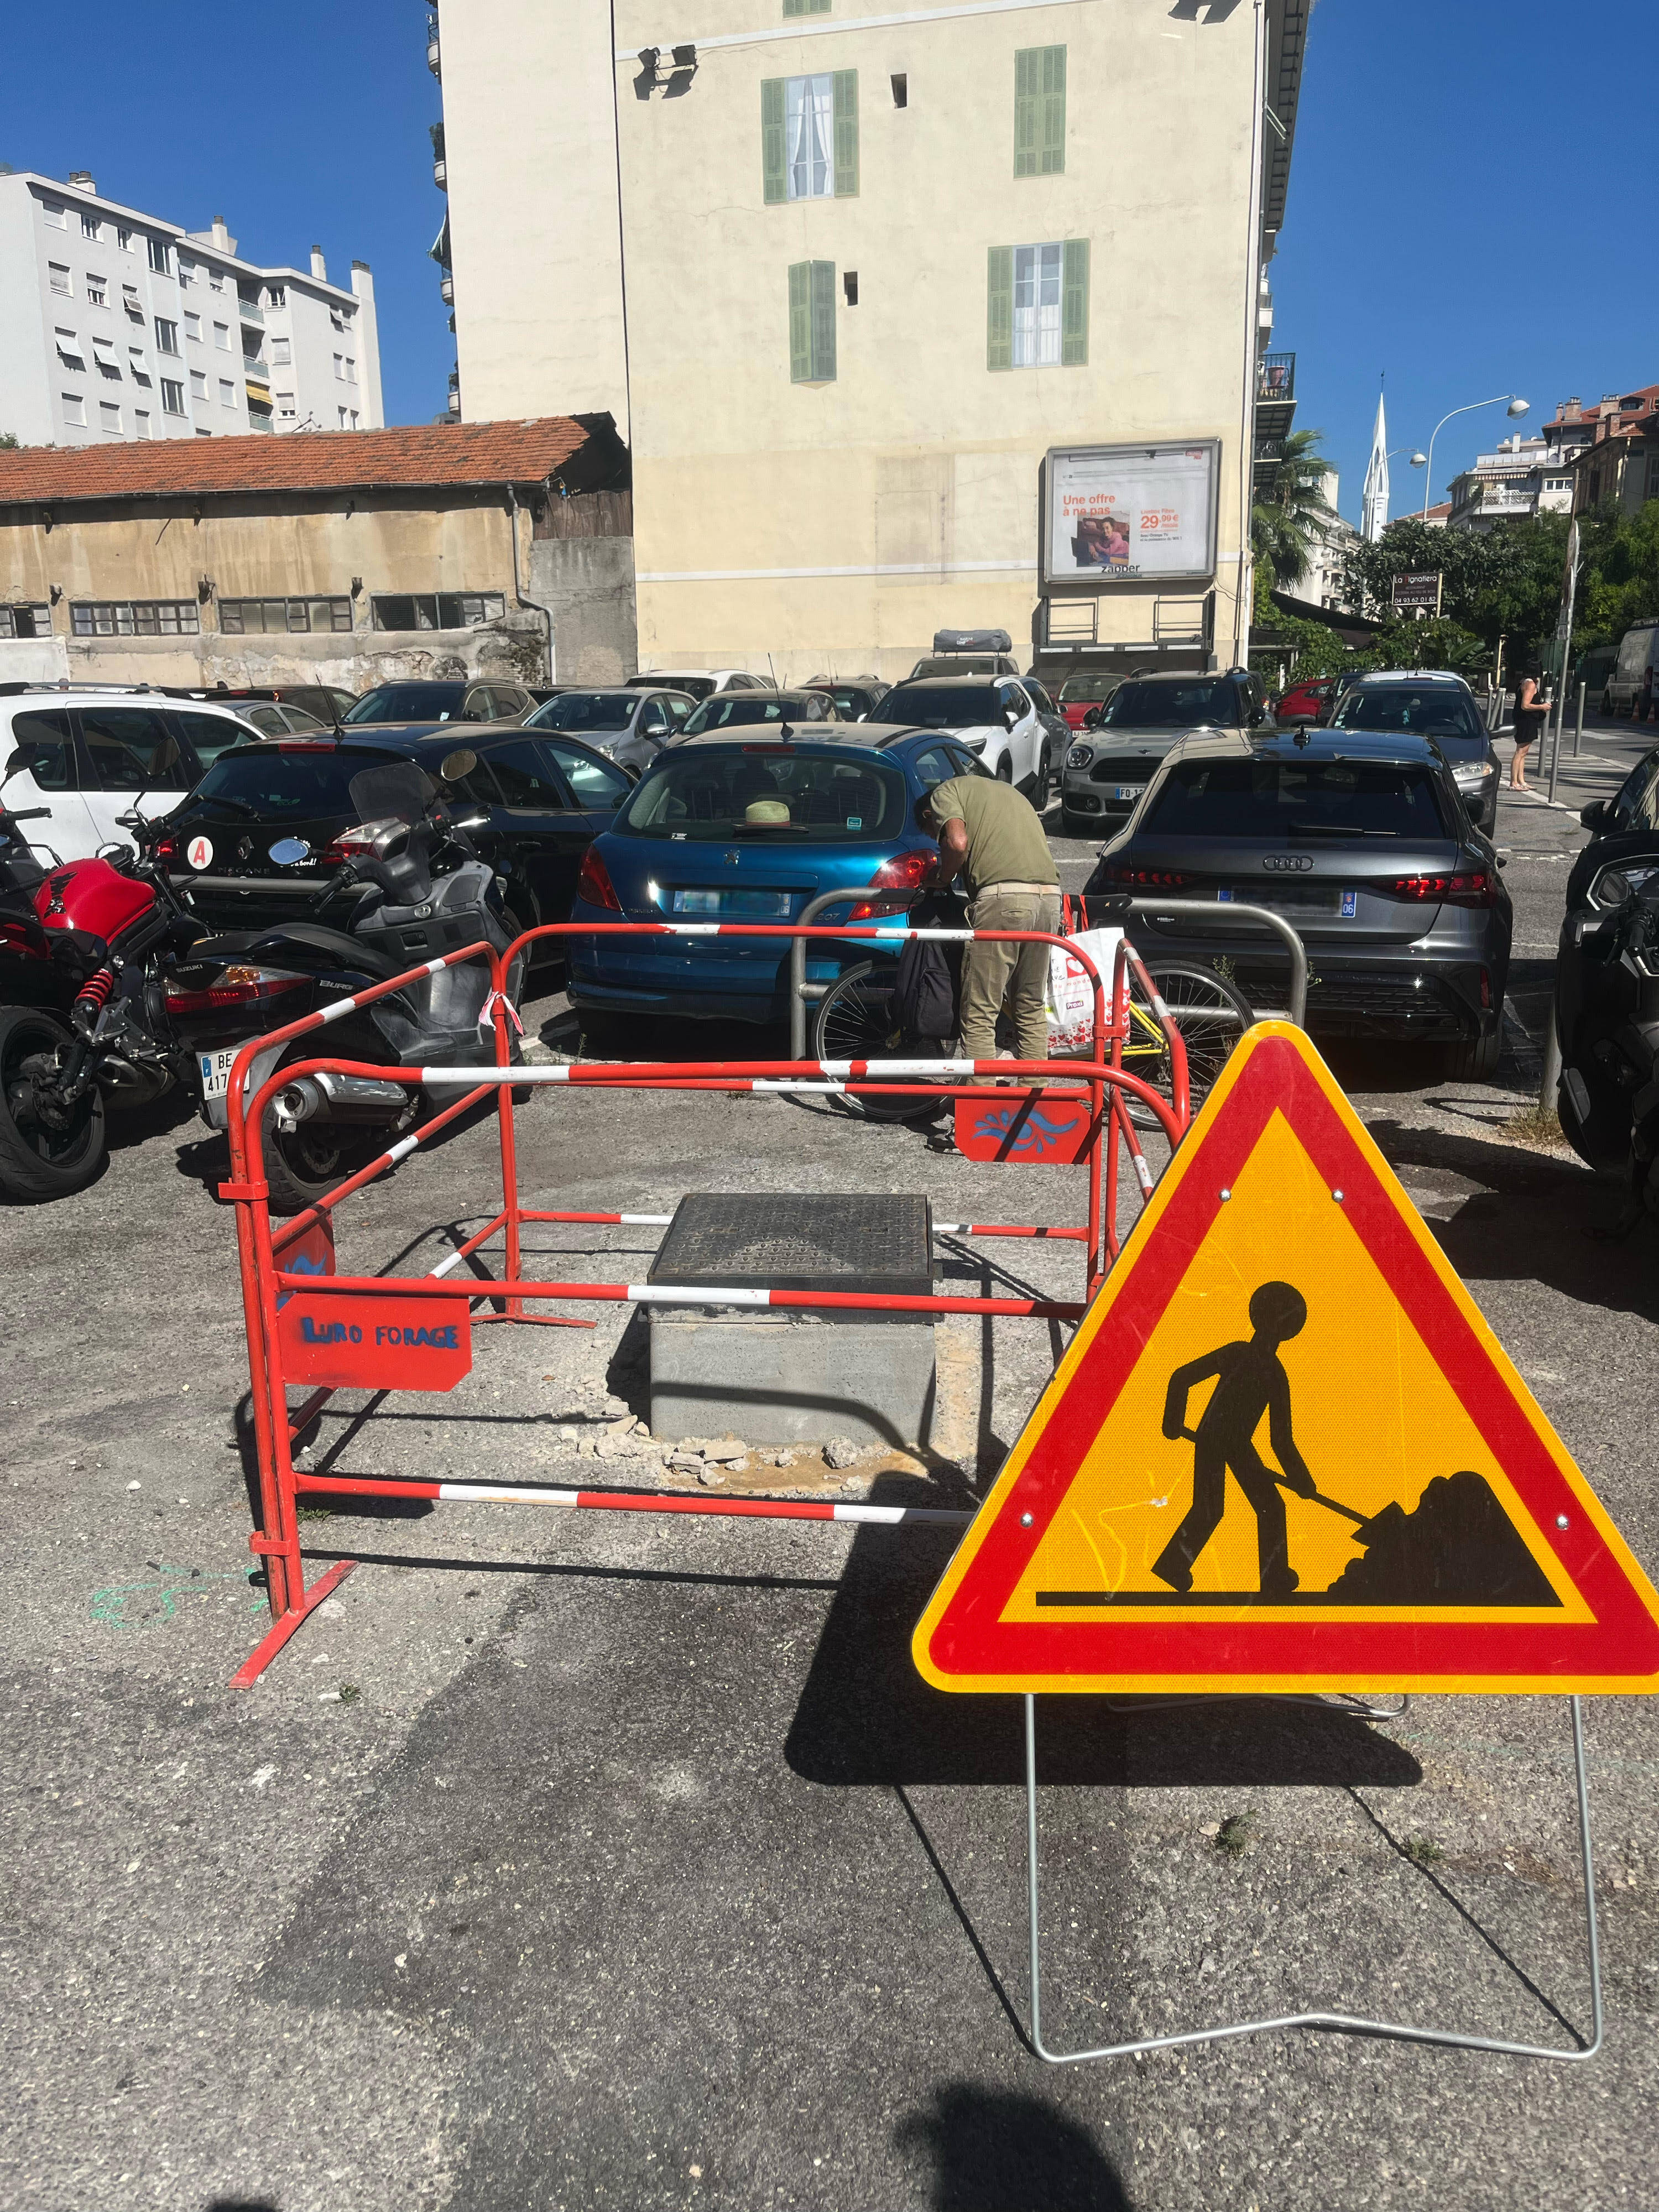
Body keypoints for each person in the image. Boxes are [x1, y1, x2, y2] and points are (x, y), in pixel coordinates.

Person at [1151, 1281, 1318, 1600]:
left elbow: (1280, 1438)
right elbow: (1280, 1440)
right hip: (1217, 1440)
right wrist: (1301, 1480)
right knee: (1230, 1508)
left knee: (1237, 1507)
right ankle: (1270, 1579)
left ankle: (1179, 1566)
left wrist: (1301, 1479)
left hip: (1229, 1442)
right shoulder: (1268, 1369)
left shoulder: (1246, 1357)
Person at [921, 771, 1060, 1081]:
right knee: (1030, 1005)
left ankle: (981, 1102)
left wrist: (943, 876)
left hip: (1003, 902)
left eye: (933, 834)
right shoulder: (1008, 793)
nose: (937, 842)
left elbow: (957, 843)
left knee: (980, 1011)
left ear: (929, 814)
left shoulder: (944, 792)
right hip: (1050, 899)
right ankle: (1034, 1098)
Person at [1510, 670, 1550, 790]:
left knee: (1523, 752)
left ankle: (1521, 780)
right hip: (1526, 721)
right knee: (1520, 752)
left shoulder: (1523, 682)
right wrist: (1542, 706)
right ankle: (1514, 782)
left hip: (1525, 720)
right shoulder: (1530, 684)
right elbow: (1525, 705)